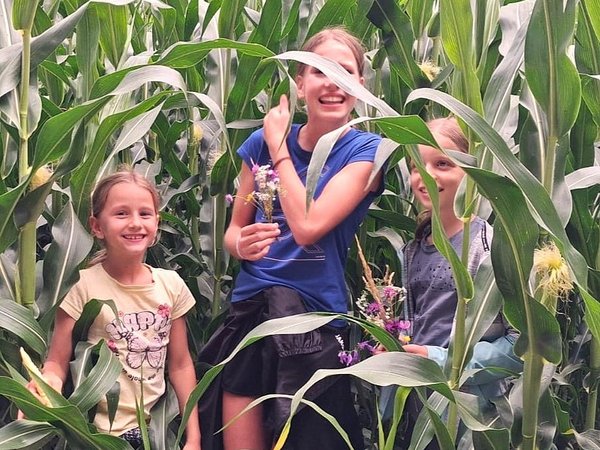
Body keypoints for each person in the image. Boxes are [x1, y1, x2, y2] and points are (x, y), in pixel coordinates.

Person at [198, 27, 384, 450]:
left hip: (315, 324)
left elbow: (308, 226)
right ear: (300, 84)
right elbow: (232, 231)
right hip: (251, 316)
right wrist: (240, 244)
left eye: (345, 72)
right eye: (320, 70)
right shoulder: (257, 145)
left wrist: (279, 147)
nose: (333, 82)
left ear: (360, 86)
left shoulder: (368, 152)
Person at [21, 169, 201, 449]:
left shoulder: (172, 285)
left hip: (158, 433)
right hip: (98, 436)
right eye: (121, 214)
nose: (135, 223)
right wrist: (44, 386)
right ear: (96, 226)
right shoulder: (80, 285)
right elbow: (57, 361)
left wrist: (194, 437)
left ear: (157, 223)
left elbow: (180, 365)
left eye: (145, 213)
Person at [394, 117, 522, 448]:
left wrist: (438, 361)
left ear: (471, 170)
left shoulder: (492, 247)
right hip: (419, 411)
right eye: (416, 166)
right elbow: (417, 326)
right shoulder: (412, 251)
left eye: (442, 164)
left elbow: (520, 347)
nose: (425, 175)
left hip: (472, 416)